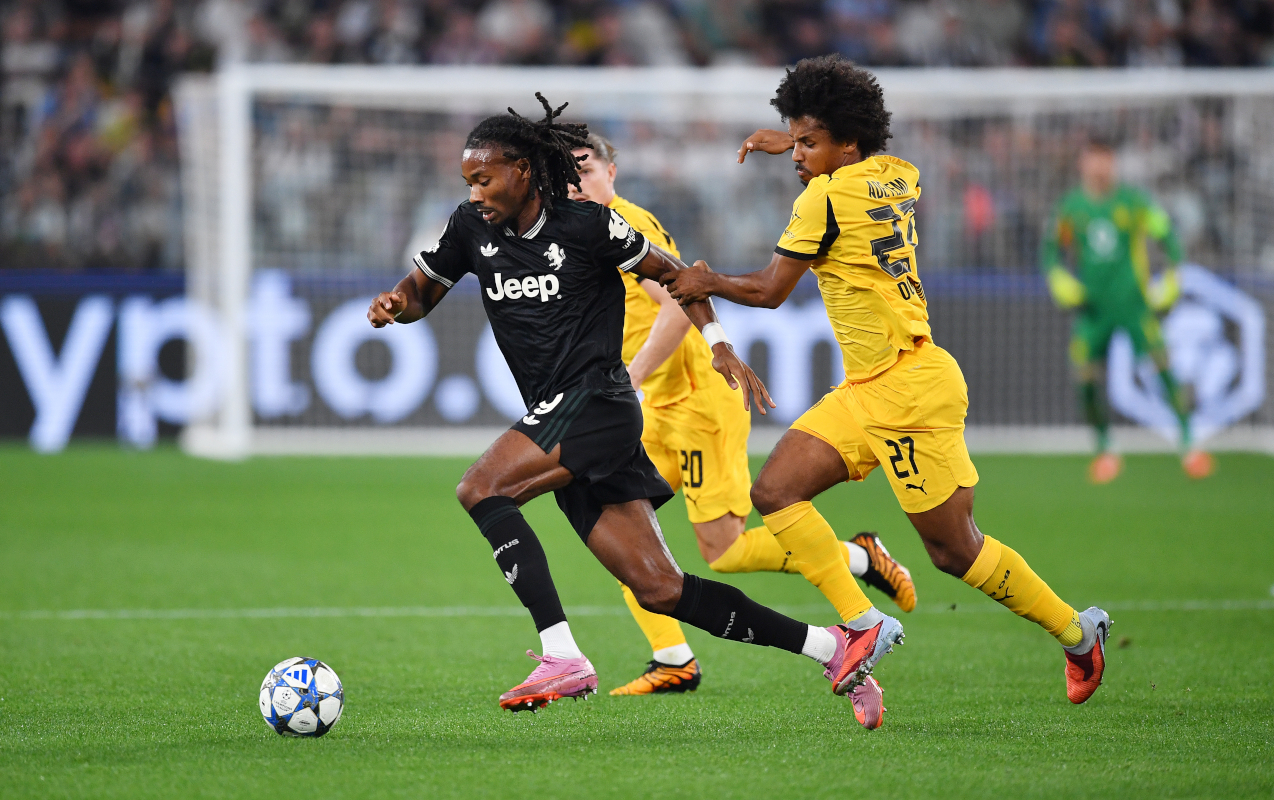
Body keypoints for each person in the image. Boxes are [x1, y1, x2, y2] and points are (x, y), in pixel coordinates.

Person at [367, 93, 887, 727]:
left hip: (597, 404)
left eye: (485, 178)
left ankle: (561, 654)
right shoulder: (471, 227)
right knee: (661, 588)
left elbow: (676, 277)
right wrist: (396, 303)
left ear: (524, 170)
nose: (476, 192)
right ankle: (834, 648)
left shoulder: (588, 224)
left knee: (480, 488)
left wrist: (719, 345)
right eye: (468, 181)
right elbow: (424, 290)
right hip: (563, 414)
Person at [663, 56, 1112, 706]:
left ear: (846, 143)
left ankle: (1077, 632)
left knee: (955, 552)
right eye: (797, 137)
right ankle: (865, 621)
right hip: (870, 386)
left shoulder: (822, 197)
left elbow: (768, 291)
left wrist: (708, 282)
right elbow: (847, 163)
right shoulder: (895, 175)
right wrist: (792, 141)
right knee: (778, 490)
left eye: (808, 142)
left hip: (910, 392)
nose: (798, 153)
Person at [568, 132, 917, 698]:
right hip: (651, 410)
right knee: (619, 522)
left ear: (613, 171)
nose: (576, 182)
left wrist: (627, 378)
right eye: (567, 174)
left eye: (585, 170)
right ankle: (672, 658)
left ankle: (859, 556)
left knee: (723, 552)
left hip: (698, 405)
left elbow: (677, 311)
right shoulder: (582, 229)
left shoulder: (628, 226)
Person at [1041, 137, 1214, 483]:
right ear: (1083, 163)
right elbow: (1049, 251)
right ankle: (1105, 448)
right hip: (1093, 309)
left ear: (1113, 163)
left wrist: (1173, 274)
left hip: (1134, 305)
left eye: (1105, 159)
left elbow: (1168, 236)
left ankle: (1189, 444)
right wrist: (1058, 278)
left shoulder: (1134, 203)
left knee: (1163, 366)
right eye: (1094, 159)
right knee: (1084, 377)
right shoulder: (1070, 208)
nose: (1100, 167)